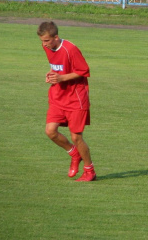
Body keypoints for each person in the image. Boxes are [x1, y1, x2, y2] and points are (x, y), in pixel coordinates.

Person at [37, 21, 96, 181]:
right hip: (57, 96)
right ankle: (74, 154)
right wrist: (51, 73)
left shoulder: (70, 49)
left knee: (77, 138)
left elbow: (84, 71)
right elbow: (56, 66)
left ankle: (89, 170)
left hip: (76, 99)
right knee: (50, 131)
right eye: (42, 41)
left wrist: (62, 77)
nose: (44, 44)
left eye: (47, 40)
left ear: (56, 37)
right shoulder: (47, 47)